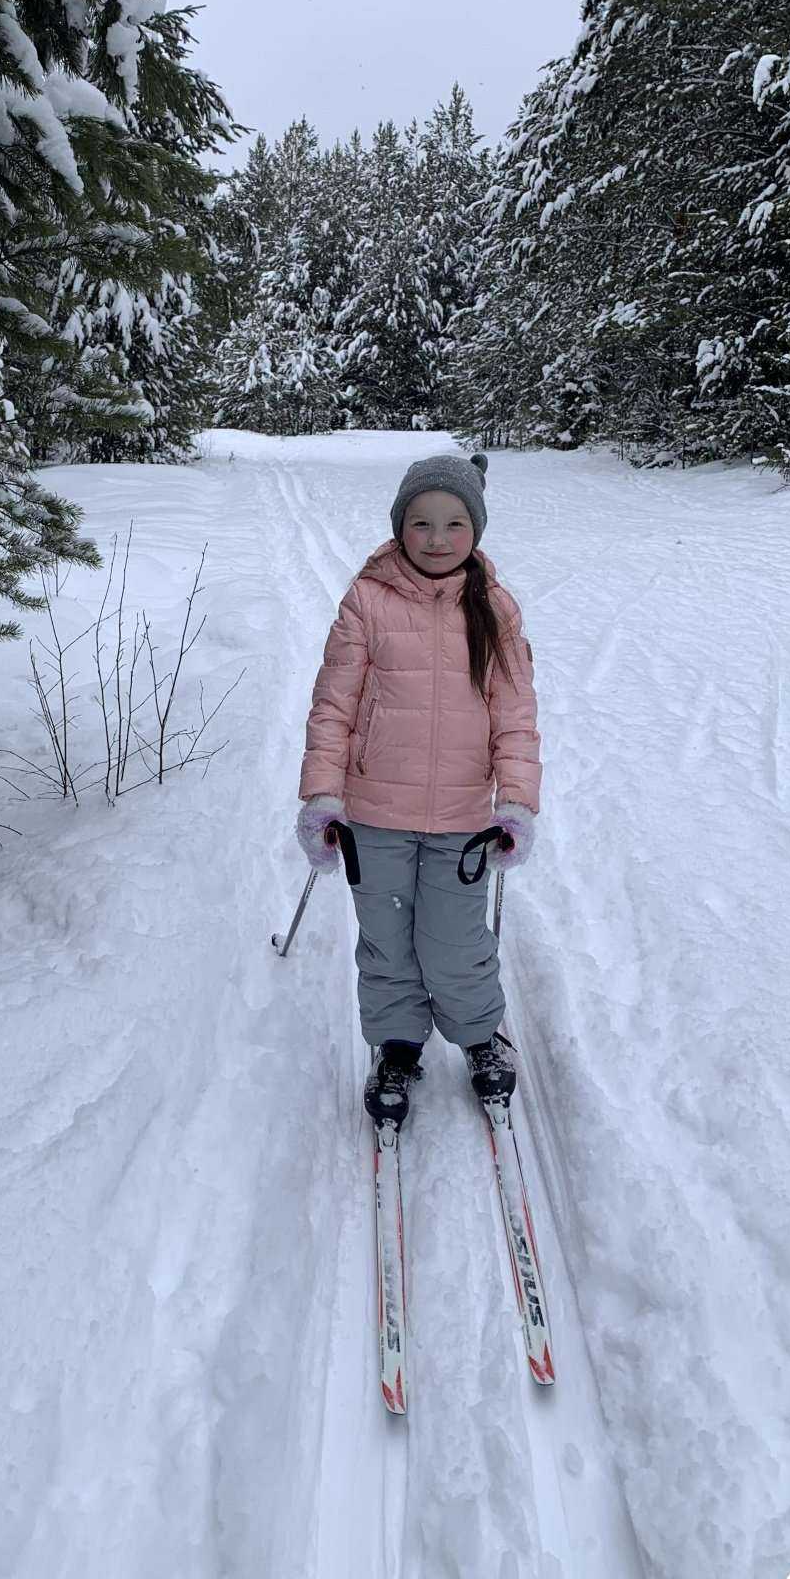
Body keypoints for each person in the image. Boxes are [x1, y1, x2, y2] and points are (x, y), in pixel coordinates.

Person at [295, 452, 541, 1125]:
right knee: (386, 940)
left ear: (476, 530)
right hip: (374, 812)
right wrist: (322, 795)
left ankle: (478, 1033)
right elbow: (333, 706)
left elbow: (515, 715)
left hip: (463, 816)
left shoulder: (494, 609)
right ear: (400, 526)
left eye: (455, 523)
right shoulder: (366, 601)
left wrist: (515, 802)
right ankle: (398, 1045)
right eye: (422, 522)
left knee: (455, 941)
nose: (437, 539)